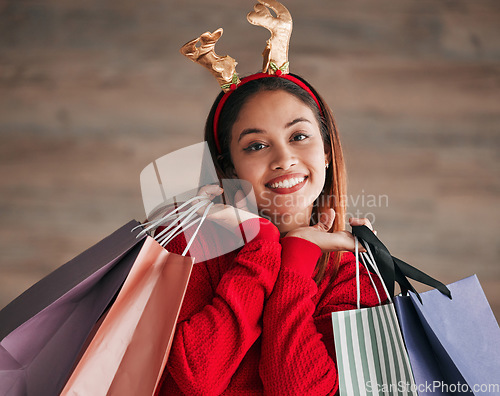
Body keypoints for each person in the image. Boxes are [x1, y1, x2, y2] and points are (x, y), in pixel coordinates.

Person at [155, 2, 386, 395]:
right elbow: (198, 379)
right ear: (228, 169)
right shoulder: (189, 243)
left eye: (299, 136)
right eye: (257, 145)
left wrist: (298, 256)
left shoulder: (353, 270)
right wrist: (260, 244)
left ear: (326, 150)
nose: (283, 159)